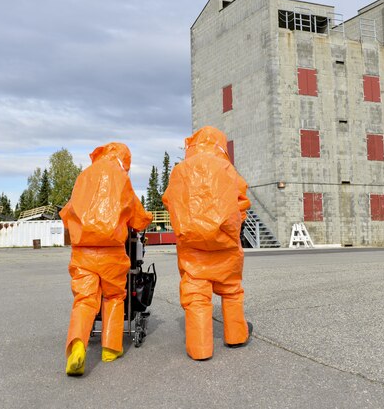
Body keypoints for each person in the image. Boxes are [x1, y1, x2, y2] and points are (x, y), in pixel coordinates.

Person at [60, 142, 152, 376]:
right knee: (113, 296)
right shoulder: (120, 177)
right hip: (111, 252)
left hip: (83, 252)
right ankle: (111, 348)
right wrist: (146, 218)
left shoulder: (84, 176)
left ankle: (77, 347)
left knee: (84, 300)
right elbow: (135, 214)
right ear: (123, 160)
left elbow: (67, 212)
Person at [162, 126, 253, 360]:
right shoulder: (227, 169)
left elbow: (169, 200)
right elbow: (242, 201)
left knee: (196, 296)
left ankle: (200, 348)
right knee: (231, 291)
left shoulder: (180, 170)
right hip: (225, 245)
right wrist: (232, 226)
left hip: (192, 248)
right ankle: (236, 336)